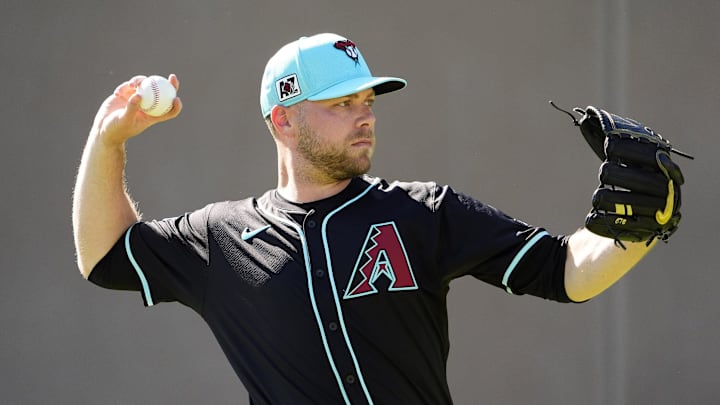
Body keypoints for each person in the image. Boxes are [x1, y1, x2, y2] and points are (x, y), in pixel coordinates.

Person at [72, 33, 680, 404]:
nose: (365, 115)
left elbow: (567, 273)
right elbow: (102, 256)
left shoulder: (423, 212)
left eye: (367, 100)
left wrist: (635, 230)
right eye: (342, 104)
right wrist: (108, 141)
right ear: (283, 119)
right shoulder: (222, 238)